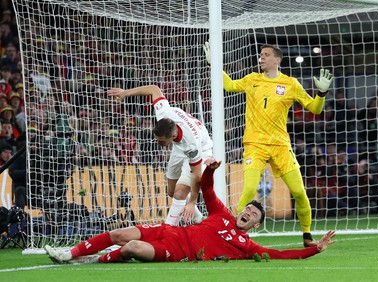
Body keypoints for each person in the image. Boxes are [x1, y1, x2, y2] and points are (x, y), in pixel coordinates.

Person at [44, 158, 336, 264]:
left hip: (176, 252)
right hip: (168, 231)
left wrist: (315, 249)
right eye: (247, 208)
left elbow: (281, 255)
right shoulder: (221, 214)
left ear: (256, 225)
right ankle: (69, 254)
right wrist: (208, 171)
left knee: (132, 246)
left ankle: (98, 260)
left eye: (254, 215)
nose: (248, 212)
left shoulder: (246, 246)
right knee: (120, 232)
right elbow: (207, 189)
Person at [203, 42, 333, 246]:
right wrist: (214, 66)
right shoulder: (252, 79)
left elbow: (315, 109)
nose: (261, 57)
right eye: (261, 54)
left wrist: (322, 94)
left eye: (266, 55)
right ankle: (232, 234)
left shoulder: (291, 84)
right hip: (255, 144)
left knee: (299, 192)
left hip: (280, 146)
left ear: (277, 60)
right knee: (249, 189)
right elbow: (229, 85)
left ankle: (307, 235)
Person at [108, 85, 213, 225]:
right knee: (171, 191)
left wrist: (193, 202)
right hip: (179, 146)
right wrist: (124, 93)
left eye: (162, 141)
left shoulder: (191, 145)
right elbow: (153, 89)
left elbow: (197, 175)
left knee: (179, 193)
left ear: (173, 135)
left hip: (202, 149)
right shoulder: (163, 114)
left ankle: (168, 230)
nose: (159, 143)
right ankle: (199, 218)